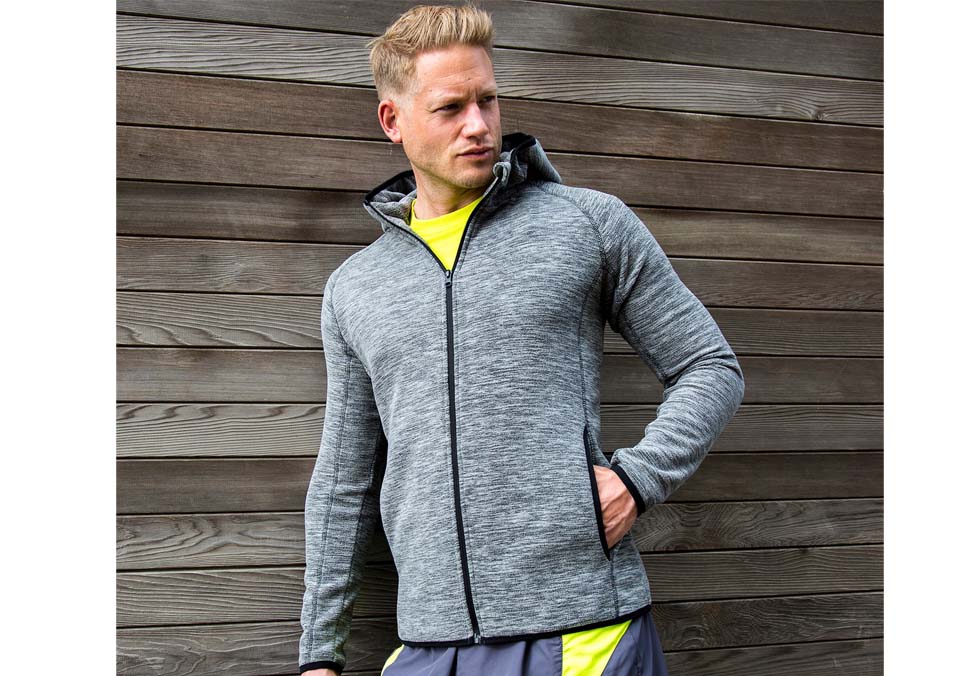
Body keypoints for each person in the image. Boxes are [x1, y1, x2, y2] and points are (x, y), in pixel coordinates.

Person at [297, 4, 745, 675]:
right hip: (432, 641)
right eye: (450, 108)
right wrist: (318, 655)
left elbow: (709, 365)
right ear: (393, 120)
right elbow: (343, 481)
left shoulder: (586, 224)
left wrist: (637, 478)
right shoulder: (354, 289)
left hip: (585, 633)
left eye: (488, 99)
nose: (479, 125)